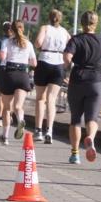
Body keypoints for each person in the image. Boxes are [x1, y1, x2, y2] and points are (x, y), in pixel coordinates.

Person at [63, 11, 101, 164]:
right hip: (96, 81)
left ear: (82, 23)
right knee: (92, 118)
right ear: (95, 24)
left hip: (78, 79)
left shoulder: (76, 39)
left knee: (76, 119)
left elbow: (67, 57)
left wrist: (67, 67)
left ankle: (75, 153)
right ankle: (90, 137)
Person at [0, 20, 36, 144]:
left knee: (7, 108)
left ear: (11, 30)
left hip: (9, 74)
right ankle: (20, 120)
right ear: (22, 29)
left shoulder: (7, 42)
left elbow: (2, 57)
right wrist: (23, 62)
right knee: (18, 106)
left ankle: (5, 136)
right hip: (23, 75)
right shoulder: (28, 44)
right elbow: (34, 63)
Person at [32, 9, 70, 144]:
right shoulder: (65, 32)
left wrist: (41, 46)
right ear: (60, 19)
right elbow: (71, 45)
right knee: (52, 99)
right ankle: (50, 130)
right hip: (59, 64)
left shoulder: (45, 28)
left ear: (49, 18)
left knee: (40, 99)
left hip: (44, 61)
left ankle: (38, 130)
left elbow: (37, 43)